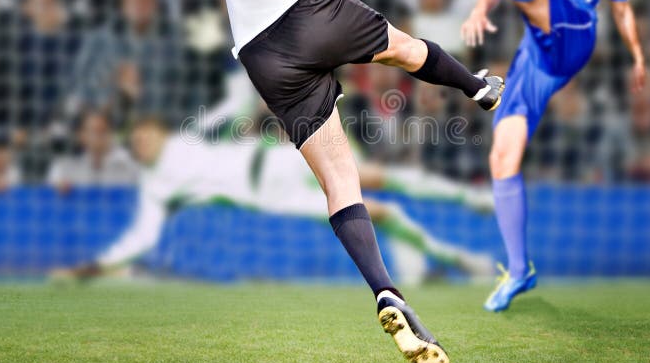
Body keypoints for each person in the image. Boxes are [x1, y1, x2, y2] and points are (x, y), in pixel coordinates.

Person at [116, 0, 504, 363]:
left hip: (264, 61)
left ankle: (386, 291)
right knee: (404, 47)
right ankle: (479, 88)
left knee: (341, 182)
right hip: (301, 17)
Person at [437, 0, 645, 311]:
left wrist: (638, 55)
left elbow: (622, 9)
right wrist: (479, 7)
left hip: (574, 31)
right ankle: (518, 271)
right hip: (534, 56)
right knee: (502, 156)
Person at [52, 117, 496, 283]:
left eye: (145, 132)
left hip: (280, 160)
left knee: (382, 177)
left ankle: (469, 196)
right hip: (271, 195)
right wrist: (94, 268)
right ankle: (458, 258)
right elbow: (142, 238)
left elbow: (234, 109)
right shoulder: (157, 186)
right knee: (379, 211)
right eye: (137, 142)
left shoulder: (192, 133)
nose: (144, 141)